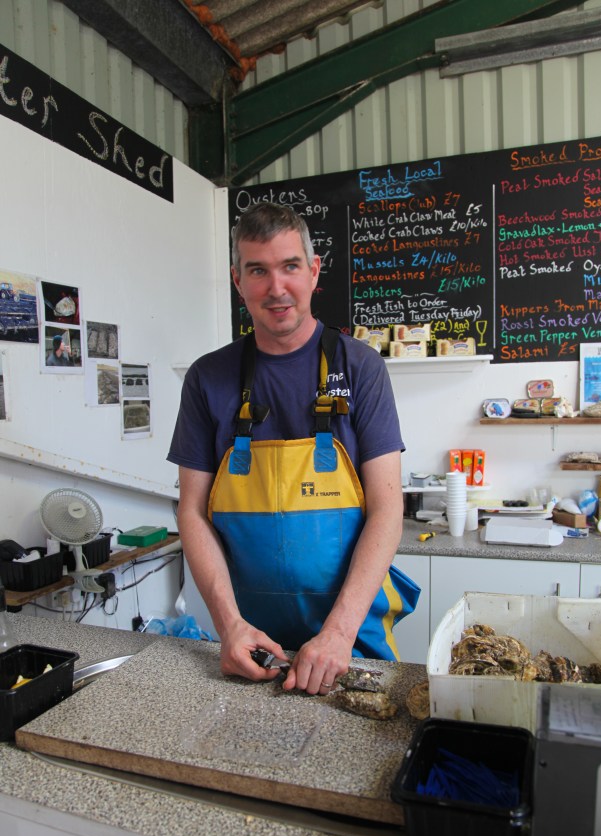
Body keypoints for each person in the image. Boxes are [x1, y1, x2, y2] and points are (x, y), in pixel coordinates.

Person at [168, 203, 419, 695]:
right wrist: (229, 626)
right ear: (237, 281)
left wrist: (339, 632)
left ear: (314, 270)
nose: (276, 288)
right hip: (251, 639)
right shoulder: (208, 378)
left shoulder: (361, 367)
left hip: (352, 633)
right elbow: (192, 512)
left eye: (290, 266)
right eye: (258, 270)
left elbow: (388, 508)